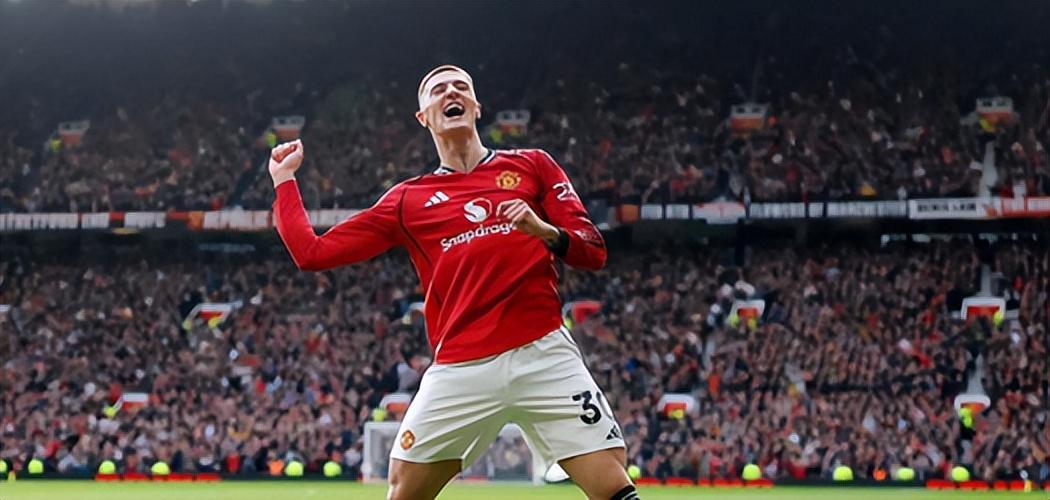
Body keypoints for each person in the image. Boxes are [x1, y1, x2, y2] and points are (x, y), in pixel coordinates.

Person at [269, 65, 637, 500]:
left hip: (544, 354)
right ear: (423, 116)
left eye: (461, 86)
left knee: (613, 486)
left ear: (476, 107)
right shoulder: (408, 200)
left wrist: (544, 232)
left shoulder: (533, 165)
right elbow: (311, 253)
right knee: (403, 492)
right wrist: (284, 180)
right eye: (438, 90)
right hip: (462, 368)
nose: (451, 92)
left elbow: (593, 251)